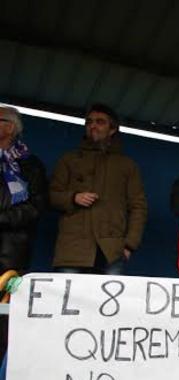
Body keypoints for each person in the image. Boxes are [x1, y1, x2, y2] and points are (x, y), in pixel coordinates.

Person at [49, 104, 147, 274]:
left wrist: (129, 245)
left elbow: (138, 207)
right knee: (66, 299)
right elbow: (50, 196)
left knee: (108, 301)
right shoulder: (69, 160)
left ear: (112, 129)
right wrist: (73, 198)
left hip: (112, 250)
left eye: (100, 122)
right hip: (72, 248)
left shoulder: (127, 165)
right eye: (89, 122)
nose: (93, 126)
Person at [0, 105, 47, 273]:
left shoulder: (30, 165)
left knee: (5, 298)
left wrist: (3, 218)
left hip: (10, 251)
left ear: (10, 127)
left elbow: (35, 206)